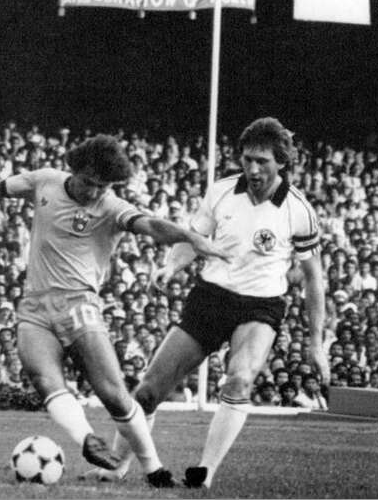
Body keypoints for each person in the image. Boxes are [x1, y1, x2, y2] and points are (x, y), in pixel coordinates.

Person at [0, 133, 230, 487]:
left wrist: (190, 237)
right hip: (34, 307)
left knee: (113, 394)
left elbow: (151, 226)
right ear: (74, 169)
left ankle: (154, 469)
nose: (94, 192)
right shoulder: (44, 181)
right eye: (89, 183)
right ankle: (86, 440)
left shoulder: (111, 207)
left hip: (79, 305)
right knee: (43, 378)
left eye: (103, 186)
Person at [92, 118, 329, 488]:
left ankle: (205, 471)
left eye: (262, 161)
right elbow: (192, 238)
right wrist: (170, 267)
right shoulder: (220, 192)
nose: (253, 168)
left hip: (260, 307)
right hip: (210, 297)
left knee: (239, 380)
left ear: (281, 161)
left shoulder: (298, 210)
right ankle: (115, 465)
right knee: (148, 391)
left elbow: (314, 279)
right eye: (248, 159)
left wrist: (317, 342)